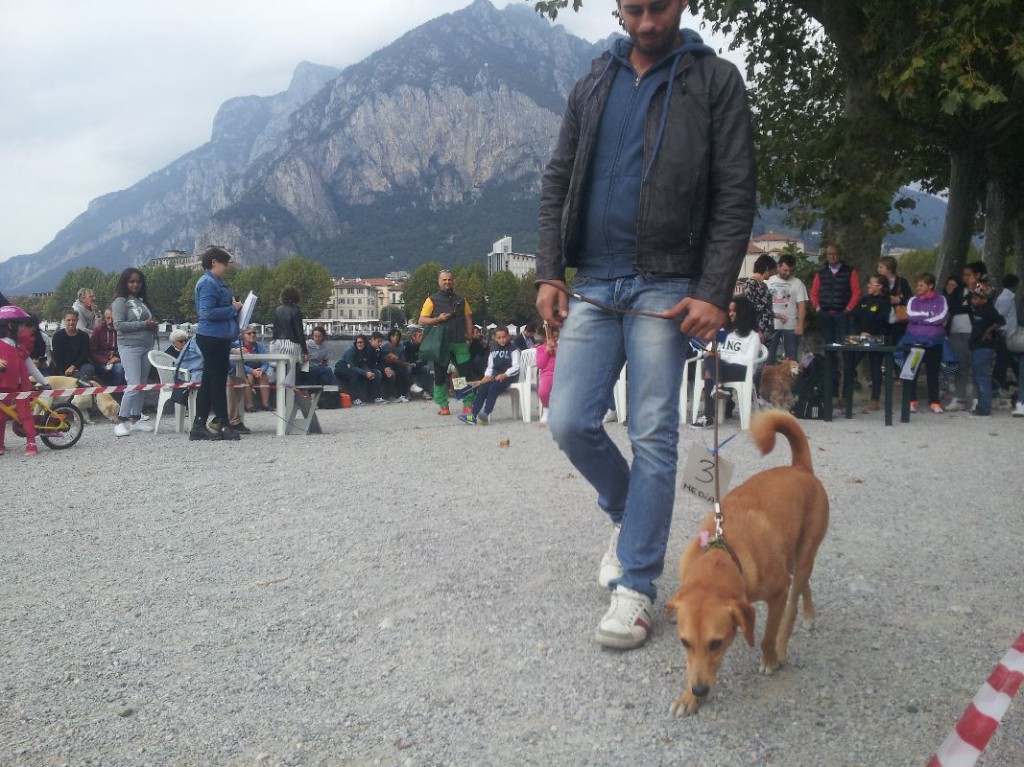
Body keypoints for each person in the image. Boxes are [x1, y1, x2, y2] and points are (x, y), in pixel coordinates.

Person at [534, 0, 756, 650]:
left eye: (659, 7)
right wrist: (549, 272)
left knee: (654, 432)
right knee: (567, 419)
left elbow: (736, 191)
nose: (648, 21)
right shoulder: (593, 79)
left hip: (669, 282)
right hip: (594, 279)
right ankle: (631, 515)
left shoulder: (715, 80)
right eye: (634, 9)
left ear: (681, 2)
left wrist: (714, 291)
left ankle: (635, 585)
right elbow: (557, 178)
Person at [189, 246, 242, 441]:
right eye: (224, 264)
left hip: (218, 337)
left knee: (210, 381)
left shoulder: (215, 283)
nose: (226, 268)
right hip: (212, 338)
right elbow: (206, 312)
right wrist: (233, 309)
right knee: (217, 382)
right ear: (214, 262)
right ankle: (223, 424)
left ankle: (200, 424)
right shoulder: (208, 283)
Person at [692, 296, 760, 428]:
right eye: (729, 311)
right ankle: (719, 386)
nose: (731, 314)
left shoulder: (753, 336)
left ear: (743, 313)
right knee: (709, 358)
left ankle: (708, 416)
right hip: (720, 367)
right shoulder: (724, 332)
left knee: (709, 370)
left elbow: (749, 359)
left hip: (741, 370)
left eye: (735, 311)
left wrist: (723, 356)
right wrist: (712, 353)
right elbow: (709, 349)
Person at [419, 269, 476, 416]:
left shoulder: (461, 300)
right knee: (440, 375)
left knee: (464, 375)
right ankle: (443, 405)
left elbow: (468, 317)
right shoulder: (431, 300)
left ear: (452, 281)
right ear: (439, 282)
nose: (447, 282)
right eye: (444, 279)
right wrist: (438, 319)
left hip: (460, 343)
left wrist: (469, 336)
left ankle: (468, 404)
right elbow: (422, 320)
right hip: (441, 344)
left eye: (449, 279)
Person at [110, 268, 158, 437]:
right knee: (133, 384)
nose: (135, 284)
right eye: (131, 281)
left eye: (138, 281)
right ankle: (120, 420)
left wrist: (152, 325)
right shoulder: (120, 302)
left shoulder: (140, 301)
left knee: (142, 384)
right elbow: (119, 325)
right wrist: (144, 325)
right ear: (125, 283)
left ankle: (135, 420)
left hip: (146, 346)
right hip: (129, 347)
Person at [900, 273, 948, 415]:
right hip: (914, 341)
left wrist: (921, 319)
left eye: (921, 285)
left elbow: (942, 317)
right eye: (917, 285)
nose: (918, 288)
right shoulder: (913, 300)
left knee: (933, 373)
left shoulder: (941, 300)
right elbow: (910, 315)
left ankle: (934, 402)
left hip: (934, 342)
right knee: (911, 372)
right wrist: (929, 315)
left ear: (930, 285)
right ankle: (910, 401)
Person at [0, 305, 40, 456]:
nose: (23, 329)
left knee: (25, 414)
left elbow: (30, 366)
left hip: (21, 386)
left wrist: (43, 381)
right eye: (21, 325)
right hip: (3, 385)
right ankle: (0, 444)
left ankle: (31, 443)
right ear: (11, 325)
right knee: (1, 416)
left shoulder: (20, 346)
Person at [458, 327, 520, 425]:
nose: (502, 340)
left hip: (509, 378)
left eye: (504, 337)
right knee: (482, 387)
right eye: (499, 338)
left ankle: (486, 413)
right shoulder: (493, 349)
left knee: (493, 388)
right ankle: (472, 416)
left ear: (508, 336)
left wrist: (505, 374)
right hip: (495, 376)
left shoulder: (513, 349)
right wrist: (487, 376)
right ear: (495, 338)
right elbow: (490, 366)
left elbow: (516, 367)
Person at [945, 261, 985, 411]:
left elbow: (979, 307)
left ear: (977, 275)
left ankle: (977, 397)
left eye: (969, 275)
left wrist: (965, 306)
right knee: (960, 366)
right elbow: (951, 306)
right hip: (956, 331)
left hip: (973, 331)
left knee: (975, 366)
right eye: (965, 275)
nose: (966, 278)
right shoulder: (959, 290)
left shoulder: (983, 289)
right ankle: (959, 397)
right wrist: (966, 307)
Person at [850, 275, 890, 411]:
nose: (868, 285)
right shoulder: (864, 300)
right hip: (861, 338)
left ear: (879, 286)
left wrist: (870, 332)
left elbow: (882, 320)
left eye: (872, 283)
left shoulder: (885, 302)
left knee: (875, 367)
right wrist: (860, 332)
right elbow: (854, 316)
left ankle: (875, 400)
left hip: (876, 338)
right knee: (850, 363)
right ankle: (845, 396)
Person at [966, 284, 1004, 417]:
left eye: (976, 298)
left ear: (985, 299)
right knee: (977, 377)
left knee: (982, 378)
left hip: (984, 348)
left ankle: (984, 408)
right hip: (975, 346)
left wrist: (990, 330)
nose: (973, 300)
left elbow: (1001, 321)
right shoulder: (977, 310)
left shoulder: (990, 310)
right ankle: (980, 406)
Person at [766, 254, 808, 363]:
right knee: (768, 358)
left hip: (791, 326)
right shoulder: (768, 281)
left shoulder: (797, 283)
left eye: (790, 271)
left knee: (792, 359)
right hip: (771, 325)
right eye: (785, 270)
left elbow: (802, 305)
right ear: (778, 266)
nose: (788, 273)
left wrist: (800, 324)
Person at [269, 285, 308, 394]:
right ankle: (294, 396)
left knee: (281, 372)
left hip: (278, 344)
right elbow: (299, 333)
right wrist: (305, 351)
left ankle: (280, 396)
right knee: (294, 372)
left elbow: (275, 330)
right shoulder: (296, 311)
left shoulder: (277, 310)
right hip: (291, 345)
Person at [992, 274, 1019, 396]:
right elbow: (1000, 317)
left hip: (1010, 334)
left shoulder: (1008, 297)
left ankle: (1001, 386)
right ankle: (995, 387)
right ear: (1014, 285)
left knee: (1013, 361)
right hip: (1005, 334)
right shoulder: (1006, 298)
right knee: (1003, 362)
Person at [233, 326, 271, 413]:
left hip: (256, 370)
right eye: (249, 333)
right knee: (249, 377)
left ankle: (266, 404)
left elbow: (266, 361)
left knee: (264, 376)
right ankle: (249, 405)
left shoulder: (259, 345)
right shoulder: (237, 345)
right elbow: (234, 363)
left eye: (254, 333)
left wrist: (261, 370)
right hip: (239, 371)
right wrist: (251, 371)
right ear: (243, 335)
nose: (252, 335)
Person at [50, 309, 96, 380]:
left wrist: (73, 366)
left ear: (77, 320)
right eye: (68, 320)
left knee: (89, 369)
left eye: (73, 320)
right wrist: (64, 372)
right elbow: (57, 357)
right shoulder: (57, 336)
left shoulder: (84, 336)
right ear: (64, 321)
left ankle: (82, 383)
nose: (71, 322)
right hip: (63, 366)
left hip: (80, 365)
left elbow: (84, 355)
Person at [877, 256, 911, 346]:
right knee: (880, 347)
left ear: (890, 268)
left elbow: (909, 299)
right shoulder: (878, 281)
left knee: (895, 347)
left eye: (881, 267)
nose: (878, 269)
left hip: (898, 321)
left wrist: (899, 300)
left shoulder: (902, 282)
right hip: (881, 321)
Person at [89, 308, 127, 386]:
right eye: (108, 318)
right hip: (101, 362)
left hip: (117, 360)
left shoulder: (121, 330)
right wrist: (106, 361)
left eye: (113, 318)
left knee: (121, 368)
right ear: (104, 318)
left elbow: (126, 347)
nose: (111, 321)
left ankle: (119, 392)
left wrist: (118, 358)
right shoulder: (98, 330)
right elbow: (92, 352)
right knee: (118, 369)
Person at [381, 327, 414, 402]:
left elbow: (402, 360)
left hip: (397, 364)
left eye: (397, 336)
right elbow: (381, 359)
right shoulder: (384, 346)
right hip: (386, 365)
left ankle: (404, 393)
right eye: (393, 336)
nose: (395, 337)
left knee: (405, 369)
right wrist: (389, 357)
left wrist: (396, 360)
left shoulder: (400, 345)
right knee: (395, 372)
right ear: (390, 336)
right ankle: (397, 394)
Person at [302, 325, 339, 392]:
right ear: (313, 336)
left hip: (318, 368)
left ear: (323, 337)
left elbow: (325, 361)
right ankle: (337, 388)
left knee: (324, 378)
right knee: (328, 369)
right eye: (315, 336)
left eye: (319, 336)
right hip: (308, 368)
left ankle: (329, 394)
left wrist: (323, 363)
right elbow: (303, 358)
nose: (317, 338)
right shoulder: (307, 344)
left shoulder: (324, 347)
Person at [400, 326, 433, 398]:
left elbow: (424, 359)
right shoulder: (405, 345)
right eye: (419, 336)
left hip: (417, 366)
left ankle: (425, 392)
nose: (422, 337)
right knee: (408, 369)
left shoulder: (423, 345)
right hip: (407, 366)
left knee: (426, 368)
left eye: (422, 335)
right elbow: (404, 359)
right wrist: (412, 363)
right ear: (413, 337)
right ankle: (406, 392)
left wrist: (415, 363)